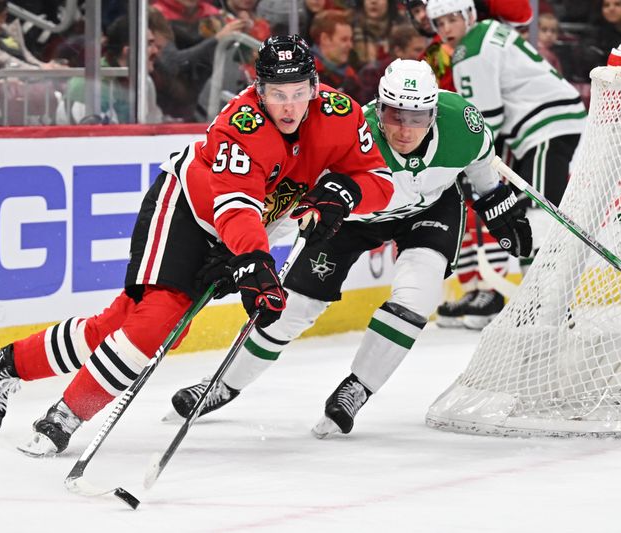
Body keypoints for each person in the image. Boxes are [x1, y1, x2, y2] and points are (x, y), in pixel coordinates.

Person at [0, 35, 394, 456]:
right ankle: (64, 418)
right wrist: (254, 259)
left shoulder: (341, 114)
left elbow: (380, 180)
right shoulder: (241, 125)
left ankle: (4, 364)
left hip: (245, 230)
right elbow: (235, 208)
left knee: (126, 322)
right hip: (189, 211)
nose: (288, 104)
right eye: (276, 93)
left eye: (298, 92)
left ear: (315, 88)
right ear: (258, 89)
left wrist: (343, 194)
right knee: (159, 321)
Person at [169, 59, 532, 437]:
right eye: (394, 114)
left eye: (418, 117)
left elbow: (481, 163)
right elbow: (289, 198)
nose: (405, 129)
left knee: (417, 294)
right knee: (291, 308)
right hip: (350, 221)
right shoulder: (351, 132)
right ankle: (223, 384)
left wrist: (495, 200)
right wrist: (244, 250)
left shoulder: (463, 123)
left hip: (429, 212)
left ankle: (357, 388)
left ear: (435, 113)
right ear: (379, 106)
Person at [427, 0, 584, 327]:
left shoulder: (469, 51)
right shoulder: (488, 31)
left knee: (538, 216)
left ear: (469, 15)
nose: (446, 29)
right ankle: (543, 302)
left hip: (545, 128)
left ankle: (550, 306)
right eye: (439, 23)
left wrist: (472, 162)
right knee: (533, 215)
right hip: (549, 124)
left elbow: (487, 119)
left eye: (452, 19)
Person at [309, 9, 361, 102]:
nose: (350, 45)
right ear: (325, 39)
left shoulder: (351, 77)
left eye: (350, 39)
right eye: (344, 40)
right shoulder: (306, 75)